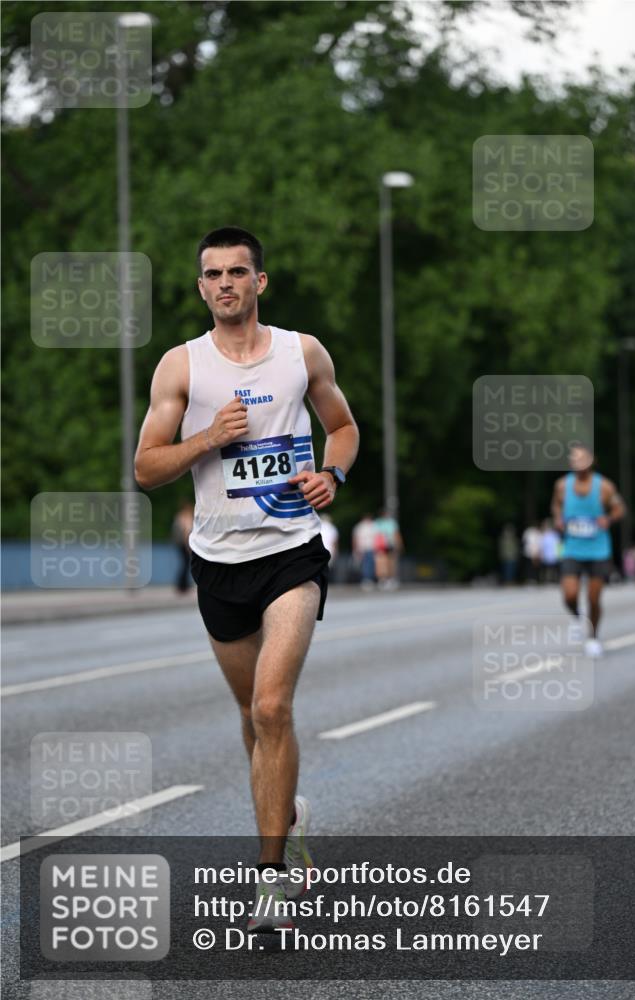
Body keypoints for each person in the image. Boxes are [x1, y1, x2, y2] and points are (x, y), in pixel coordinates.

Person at [134, 226, 359, 931]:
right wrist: (208, 438)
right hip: (218, 560)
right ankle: (287, 817)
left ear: (260, 281)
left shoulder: (301, 353)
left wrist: (332, 473)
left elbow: (343, 426)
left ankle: (271, 883)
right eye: (212, 274)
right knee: (248, 716)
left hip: (292, 551)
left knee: (270, 709)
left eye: (238, 272)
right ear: (200, 286)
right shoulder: (181, 367)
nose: (225, 283)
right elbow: (145, 468)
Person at [551, 444, 625, 658]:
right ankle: (576, 615)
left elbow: (619, 508)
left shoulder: (604, 487)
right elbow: (556, 505)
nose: (577, 462)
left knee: (594, 598)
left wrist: (609, 518)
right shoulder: (563, 485)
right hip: (572, 547)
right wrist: (558, 518)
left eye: (581, 458)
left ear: (591, 460)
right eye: (573, 458)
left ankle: (592, 638)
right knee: (570, 594)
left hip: (598, 549)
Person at [373, 508, 403, 590]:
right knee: (384, 562)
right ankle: (384, 579)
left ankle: (389, 579)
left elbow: (396, 533)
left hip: (388, 544)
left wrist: (399, 544)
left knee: (389, 562)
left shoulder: (388, 523)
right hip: (383, 544)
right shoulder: (379, 523)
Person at [172, 499, 194, 593]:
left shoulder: (179, 516)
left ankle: (181, 585)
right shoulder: (187, 516)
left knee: (183, 564)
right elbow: (187, 531)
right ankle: (183, 585)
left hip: (178, 543)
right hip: (185, 543)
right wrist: (188, 546)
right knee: (186, 564)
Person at [352, 513, 377, 590]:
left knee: (370, 564)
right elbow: (355, 538)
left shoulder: (373, 526)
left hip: (371, 548)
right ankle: (366, 579)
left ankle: (369, 579)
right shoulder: (360, 527)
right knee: (365, 565)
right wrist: (356, 549)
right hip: (363, 548)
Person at [539, 518, 560, 584]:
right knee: (548, 569)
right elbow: (542, 546)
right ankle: (548, 580)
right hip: (548, 555)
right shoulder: (545, 535)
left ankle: (553, 580)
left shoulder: (554, 535)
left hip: (553, 555)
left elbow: (558, 545)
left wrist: (559, 554)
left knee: (553, 569)